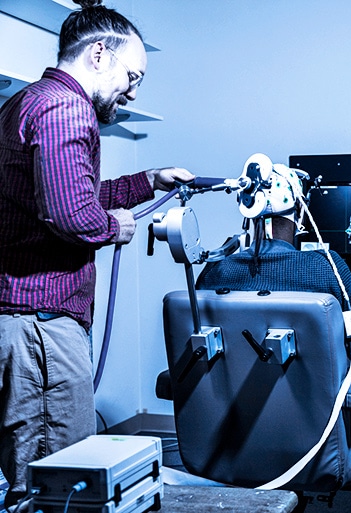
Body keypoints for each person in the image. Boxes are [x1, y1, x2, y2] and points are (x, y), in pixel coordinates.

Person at [0, 1, 194, 510]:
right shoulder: (67, 108)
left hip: (29, 316)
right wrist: (115, 226)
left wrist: (145, 182)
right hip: (40, 321)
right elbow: (70, 214)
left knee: (41, 473)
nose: (132, 90)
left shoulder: (30, 100)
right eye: (132, 75)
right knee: (59, 478)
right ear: (99, 53)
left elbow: (64, 193)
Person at [196, 165, 351, 513]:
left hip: (235, 419)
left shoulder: (215, 271)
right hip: (311, 408)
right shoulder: (326, 266)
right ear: (297, 211)